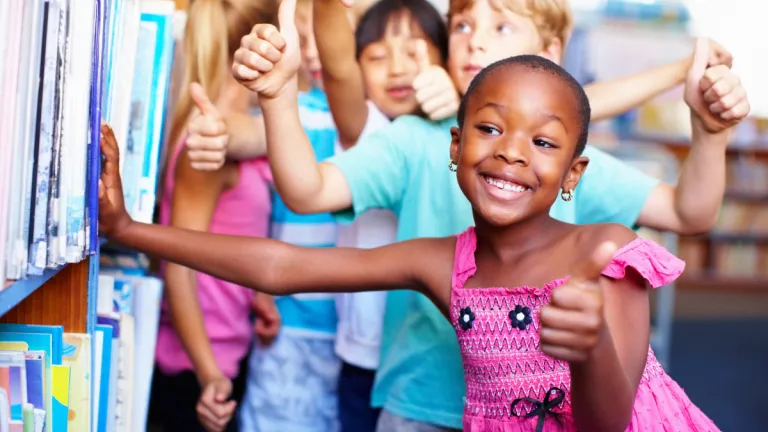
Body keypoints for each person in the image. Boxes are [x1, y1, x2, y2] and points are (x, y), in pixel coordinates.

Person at [97, 49, 729, 431]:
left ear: (573, 173)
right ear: (455, 149)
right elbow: (281, 267)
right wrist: (128, 229)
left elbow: (607, 426)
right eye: (489, 128)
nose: (510, 152)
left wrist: (589, 351)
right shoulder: (444, 264)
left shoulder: (607, 252)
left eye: (542, 142)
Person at [227, 0, 749, 429]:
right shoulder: (412, 140)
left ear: (552, 54)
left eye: (500, 25)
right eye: (461, 24)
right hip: (418, 404)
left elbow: (690, 209)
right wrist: (277, 98)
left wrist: (708, 134)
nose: (475, 40)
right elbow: (306, 191)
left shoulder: (557, 158)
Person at [312, 0, 453, 430]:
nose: (396, 69)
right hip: (365, 354)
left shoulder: (461, 129)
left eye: (414, 52)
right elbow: (335, 63)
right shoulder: (366, 128)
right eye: (376, 57)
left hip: (432, 361)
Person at [146, 1, 278, 432]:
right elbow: (179, 267)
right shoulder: (208, 142)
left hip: (226, 350)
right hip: (197, 371)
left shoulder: (233, 131)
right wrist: (209, 375)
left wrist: (253, 292)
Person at [237, 0, 342, 431]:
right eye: (301, 31)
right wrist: (215, 135)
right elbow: (246, 133)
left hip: (354, 331)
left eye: (323, 33)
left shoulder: (382, 120)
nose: (313, 50)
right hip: (289, 321)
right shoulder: (293, 109)